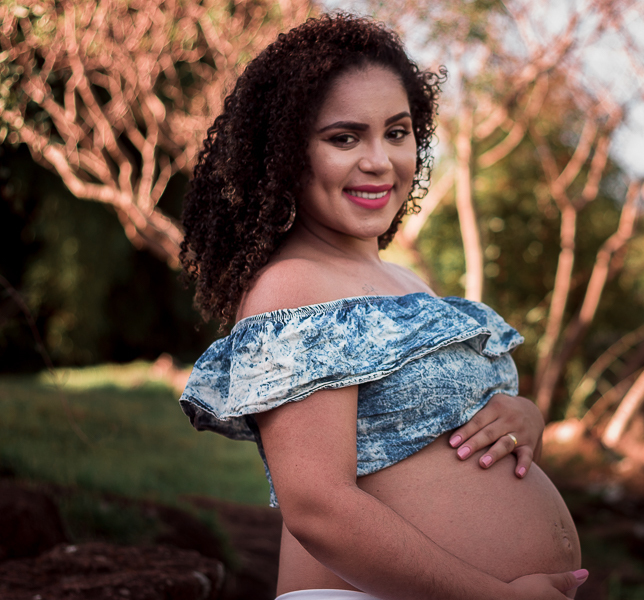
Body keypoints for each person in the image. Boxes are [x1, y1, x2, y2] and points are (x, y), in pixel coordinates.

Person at [178, 12, 585, 600]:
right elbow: (318, 507)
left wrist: (524, 421)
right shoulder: (295, 287)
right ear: (287, 155)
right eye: (344, 138)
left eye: (396, 132)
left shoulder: (406, 283)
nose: (379, 160)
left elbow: (438, 455)